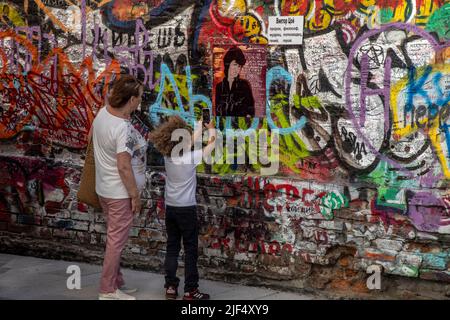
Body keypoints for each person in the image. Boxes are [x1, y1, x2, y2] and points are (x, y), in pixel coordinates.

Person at [149, 115, 216, 300]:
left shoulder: (168, 156)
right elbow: (211, 145)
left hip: (171, 208)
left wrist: (199, 127)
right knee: (190, 250)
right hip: (186, 209)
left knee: (172, 247)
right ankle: (190, 291)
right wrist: (211, 129)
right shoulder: (191, 157)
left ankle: (170, 287)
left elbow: (186, 143)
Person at [92, 74, 146, 300]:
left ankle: (116, 281)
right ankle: (107, 290)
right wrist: (134, 195)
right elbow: (124, 166)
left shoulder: (103, 113)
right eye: (140, 98)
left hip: (104, 188)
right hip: (118, 193)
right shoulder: (122, 128)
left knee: (115, 238)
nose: (141, 102)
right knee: (116, 241)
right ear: (131, 99)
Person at [215, 46, 255, 117]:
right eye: (235, 65)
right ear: (228, 64)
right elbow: (217, 110)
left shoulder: (244, 85)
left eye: (239, 66)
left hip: (241, 125)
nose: (237, 69)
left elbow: (251, 109)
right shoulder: (219, 87)